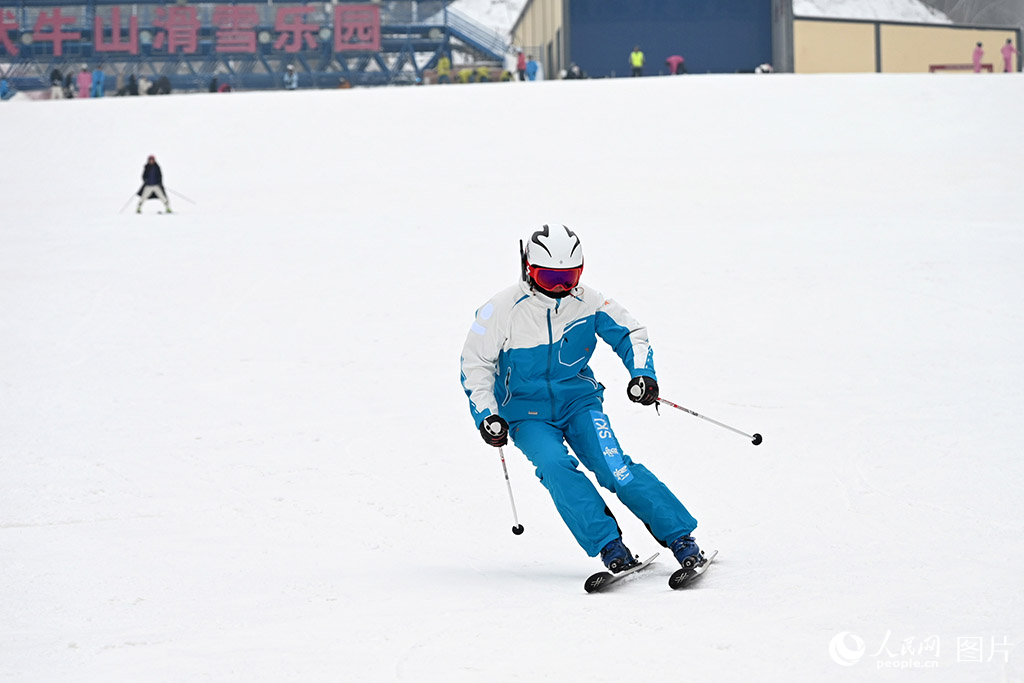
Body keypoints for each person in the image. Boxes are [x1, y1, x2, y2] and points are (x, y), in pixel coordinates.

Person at [460, 225, 704, 576]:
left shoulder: (589, 301)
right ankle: (610, 546)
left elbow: (631, 333)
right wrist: (487, 414)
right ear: (528, 269)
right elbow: (475, 365)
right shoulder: (499, 310)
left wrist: (642, 374)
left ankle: (681, 538)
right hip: (526, 414)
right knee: (555, 468)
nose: (561, 287)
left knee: (616, 469)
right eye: (549, 277)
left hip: (579, 403)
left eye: (570, 277)